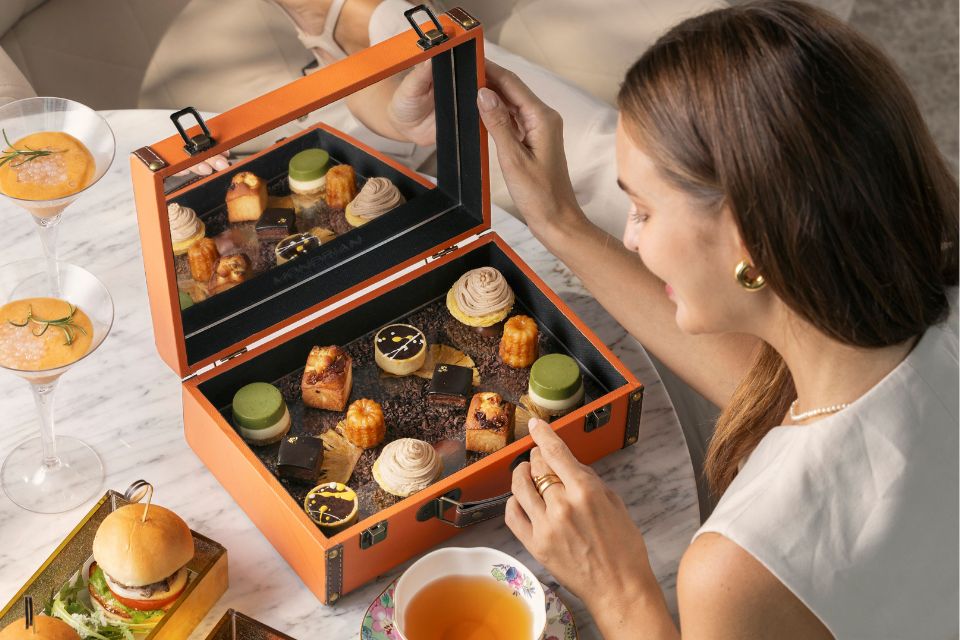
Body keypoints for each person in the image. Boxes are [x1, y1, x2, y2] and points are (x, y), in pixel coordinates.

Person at [248, 0, 960, 635]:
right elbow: (792, 397)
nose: (629, 236)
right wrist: (558, 220)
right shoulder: (908, 311)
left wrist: (621, 592)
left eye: (643, 211)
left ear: (751, 242)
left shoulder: (738, 568)